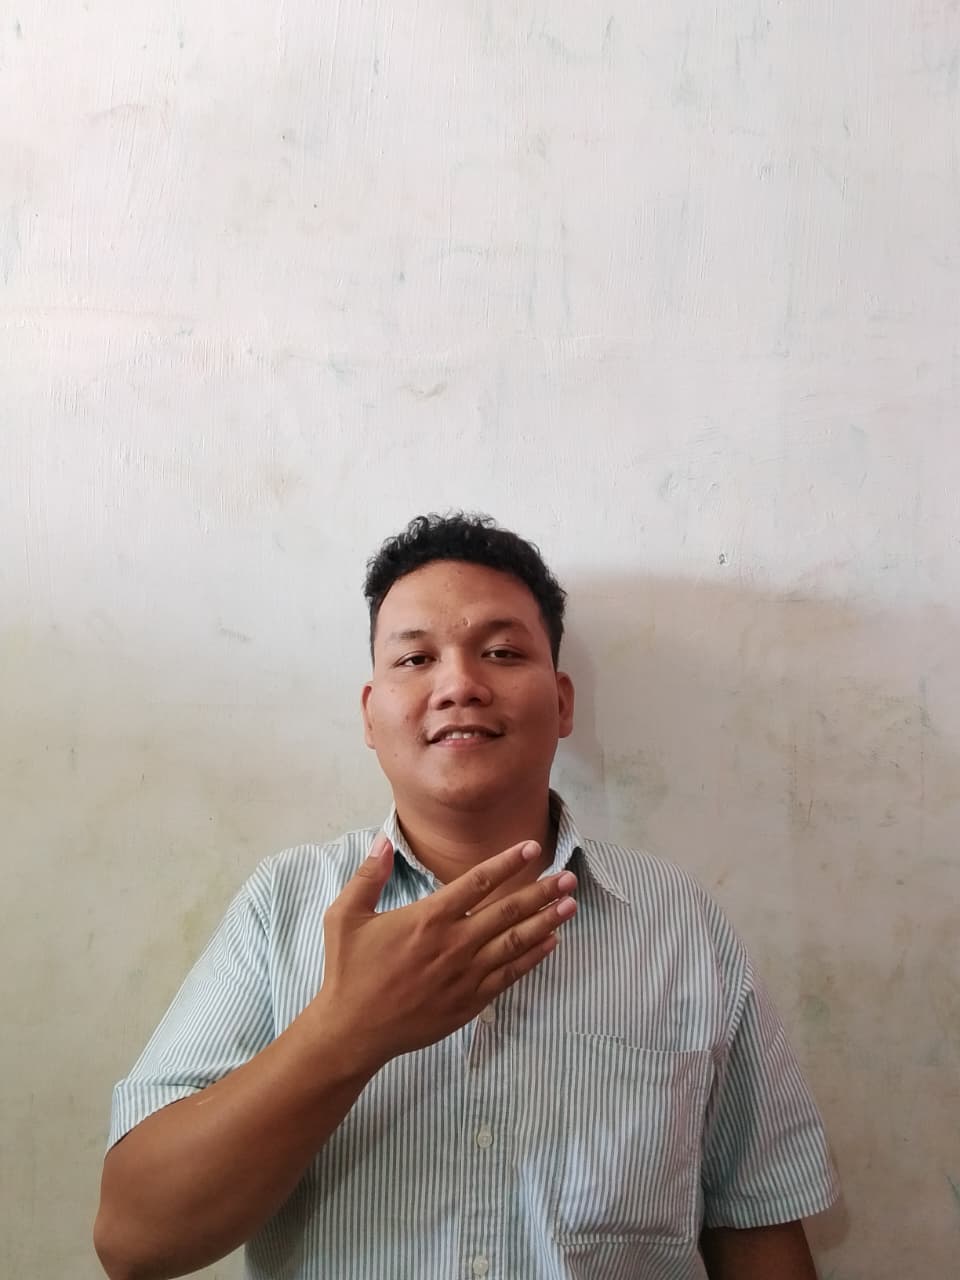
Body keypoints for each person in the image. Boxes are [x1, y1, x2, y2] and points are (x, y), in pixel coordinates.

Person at [94, 512, 839, 1280]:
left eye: (502, 652)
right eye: (415, 658)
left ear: (562, 702)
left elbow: (758, 1226)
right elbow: (134, 1238)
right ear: (369, 714)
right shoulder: (284, 904)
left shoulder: (676, 924)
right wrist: (345, 1031)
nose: (458, 685)